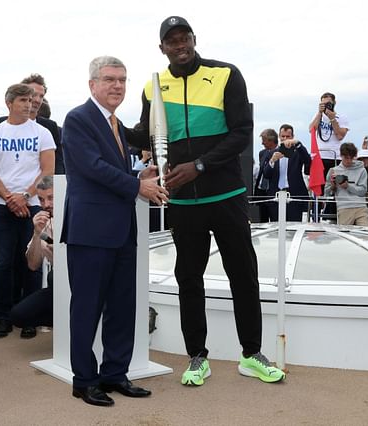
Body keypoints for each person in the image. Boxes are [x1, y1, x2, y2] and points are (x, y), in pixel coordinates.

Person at [128, 16, 285, 386]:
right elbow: (146, 136)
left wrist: (199, 165)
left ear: (194, 39)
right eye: (172, 40)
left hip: (226, 195)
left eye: (185, 38)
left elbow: (242, 132)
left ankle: (251, 354)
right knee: (188, 278)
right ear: (162, 47)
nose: (179, 45)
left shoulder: (226, 74)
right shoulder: (153, 86)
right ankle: (197, 357)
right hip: (183, 203)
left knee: (242, 276)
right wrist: (109, 122)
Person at [62, 55, 166, 407]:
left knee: (122, 307)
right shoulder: (78, 119)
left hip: (122, 231)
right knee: (87, 309)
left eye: (122, 79)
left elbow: (112, 171)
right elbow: (92, 167)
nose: (117, 85)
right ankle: (84, 380)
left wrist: (140, 178)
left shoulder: (117, 124)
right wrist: (137, 187)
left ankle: (114, 373)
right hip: (90, 232)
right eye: (109, 79)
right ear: (92, 84)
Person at [0, 83, 55, 339]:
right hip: (1, 207)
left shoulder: (43, 133)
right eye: (23, 100)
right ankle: (1, 314)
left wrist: (26, 196)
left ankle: (29, 317)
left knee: (32, 263)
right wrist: (10, 197)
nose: (29, 104)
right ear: (9, 103)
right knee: (2, 261)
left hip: (33, 207)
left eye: (31, 100)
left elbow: (48, 171)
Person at [11, 175, 54, 331]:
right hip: (57, 283)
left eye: (51, 198)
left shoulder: (79, 216)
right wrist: (37, 233)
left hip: (82, 281)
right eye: (42, 200)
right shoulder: (44, 223)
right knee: (19, 315)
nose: (46, 205)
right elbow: (33, 264)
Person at [263, 124, 311, 222]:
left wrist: (297, 144)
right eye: (283, 136)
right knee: (275, 228)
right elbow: (266, 175)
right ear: (279, 137)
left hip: (294, 195)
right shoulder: (271, 153)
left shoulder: (298, 152)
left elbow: (308, 162)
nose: (285, 139)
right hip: (276, 196)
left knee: (294, 227)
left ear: (292, 137)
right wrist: (272, 161)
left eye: (288, 136)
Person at [324, 142, 368, 226]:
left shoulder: (362, 170)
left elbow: (363, 191)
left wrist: (348, 186)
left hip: (361, 206)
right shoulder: (333, 171)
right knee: (344, 235)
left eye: (351, 158)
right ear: (341, 156)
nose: (349, 161)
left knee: (367, 232)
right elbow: (327, 194)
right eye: (346, 158)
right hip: (344, 207)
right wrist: (333, 185)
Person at [254, 129, 278, 222]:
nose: (262, 143)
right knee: (261, 218)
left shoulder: (280, 153)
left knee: (273, 217)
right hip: (261, 191)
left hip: (272, 191)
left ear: (271, 140)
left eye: (264, 140)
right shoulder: (262, 153)